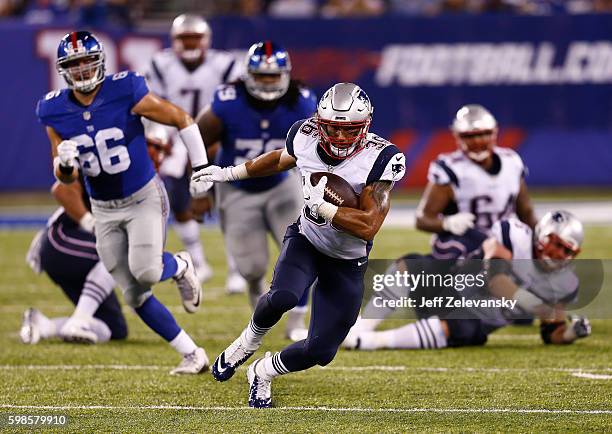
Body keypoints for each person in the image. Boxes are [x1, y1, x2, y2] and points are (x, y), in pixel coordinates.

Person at [193, 82, 407, 408]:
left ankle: (263, 371)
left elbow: (368, 226)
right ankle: (247, 341)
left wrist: (326, 208)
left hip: (347, 260)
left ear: (365, 127)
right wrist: (227, 174)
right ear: (319, 123)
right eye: (332, 128)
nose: (338, 138)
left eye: (347, 130)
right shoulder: (304, 135)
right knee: (283, 296)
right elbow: (278, 160)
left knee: (321, 352)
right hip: (306, 239)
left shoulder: (382, 159)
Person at [35, 31, 213, 374]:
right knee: (133, 294)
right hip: (103, 207)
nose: (83, 70)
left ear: (100, 61)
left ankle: (179, 265)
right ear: (64, 69)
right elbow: (65, 178)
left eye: (88, 61)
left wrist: (202, 166)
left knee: (146, 269)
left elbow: (181, 118)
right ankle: (192, 354)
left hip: (143, 196)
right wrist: (66, 165)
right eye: (75, 64)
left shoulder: (125, 89)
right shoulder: (53, 111)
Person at [197, 41, 317, 339]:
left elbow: (317, 148)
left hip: (282, 184)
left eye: (273, 76)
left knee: (303, 251)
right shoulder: (227, 101)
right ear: (248, 75)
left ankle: (295, 324)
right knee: (251, 268)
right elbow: (197, 138)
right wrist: (199, 187)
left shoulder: (301, 102)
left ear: (285, 75)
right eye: (261, 76)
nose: (267, 82)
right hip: (236, 190)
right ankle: (257, 300)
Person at [347, 211, 592, 350]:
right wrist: (540, 307)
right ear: (542, 234)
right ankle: (360, 327)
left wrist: (572, 332)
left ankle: (370, 342)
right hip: (448, 288)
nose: (558, 253)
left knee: (463, 325)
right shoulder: (514, 235)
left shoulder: (566, 284)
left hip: (476, 318)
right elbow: (496, 281)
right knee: (411, 264)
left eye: (566, 249)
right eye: (555, 243)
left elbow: (552, 333)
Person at [145, 13, 245, 290]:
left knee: (229, 202)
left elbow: (237, 105)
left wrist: (220, 137)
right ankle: (199, 263)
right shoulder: (160, 63)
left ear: (206, 40)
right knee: (178, 197)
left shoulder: (224, 65)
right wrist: (158, 137)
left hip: (217, 135)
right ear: (174, 40)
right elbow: (152, 105)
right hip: (176, 138)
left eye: (194, 38)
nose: (189, 43)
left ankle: (236, 268)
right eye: (183, 38)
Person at [416, 103, 536, 260]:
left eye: (484, 134)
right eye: (469, 136)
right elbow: (422, 219)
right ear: (457, 136)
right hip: (464, 243)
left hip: (504, 240)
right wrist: (447, 223)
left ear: (495, 132)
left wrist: (539, 239)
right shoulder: (450, 168)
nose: (478, 141)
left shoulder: (511, 162)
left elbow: (526, 212)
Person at [21, 177, 127, 345]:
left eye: (165, 151)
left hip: (82, 254)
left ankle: (42, 325)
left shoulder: (144, 183)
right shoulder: (112, 167)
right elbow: (60, 190)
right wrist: (91, 225)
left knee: (114, 329)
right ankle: (78, 321)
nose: (160, 157)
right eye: (157, 148)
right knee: (118, 251)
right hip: (61, 240)